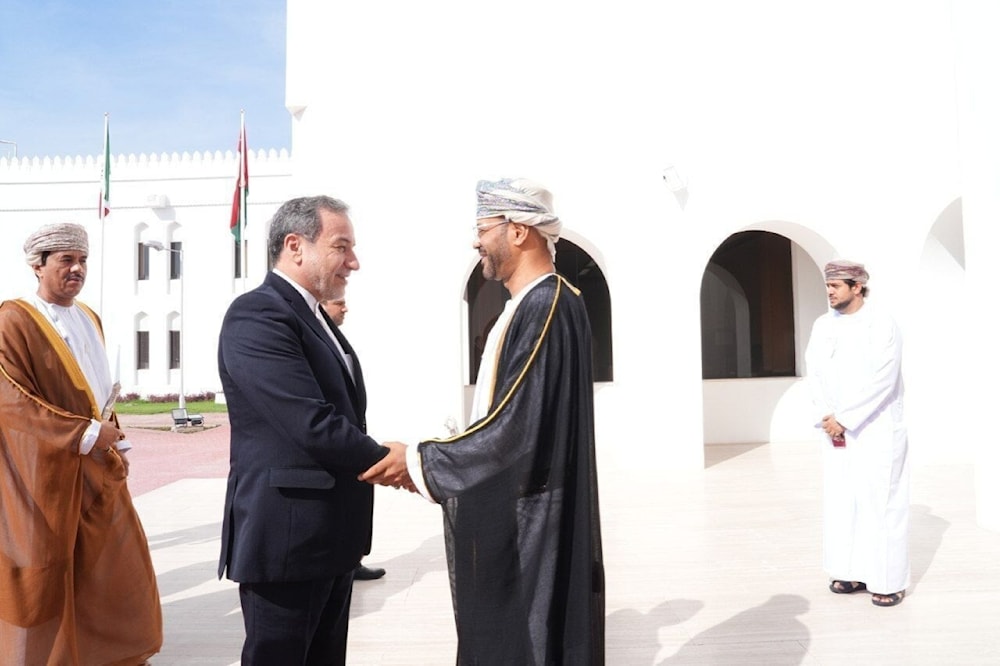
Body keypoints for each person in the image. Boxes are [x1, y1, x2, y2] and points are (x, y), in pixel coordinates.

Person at [362, 178, 606, 664]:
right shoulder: (533, 304)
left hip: (531, 522)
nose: (476, 241)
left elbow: (515, 426)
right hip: (522, 507)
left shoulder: (548, 304)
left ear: (518, 231)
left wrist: (418, 462)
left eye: (483, 228)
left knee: (524, 640)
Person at [218, 195, 406, 664]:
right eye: (341, 246)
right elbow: (310, 422)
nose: (354, 262)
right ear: (295, 246)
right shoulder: (257, 314)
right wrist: (400, 464)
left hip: (329, 538)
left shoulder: (314, 314)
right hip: (287, 539)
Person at [0, 223, 162, 664]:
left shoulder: (89, 317)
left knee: (116, 566)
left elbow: (95, 391)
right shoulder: (13, 319)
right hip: (45, 477)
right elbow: (10, 400)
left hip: (97, 465)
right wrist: (84, 435)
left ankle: (113, 654)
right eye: (65, 260)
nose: (77, 269)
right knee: (47, 576)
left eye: (83, 260)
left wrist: (114, 443)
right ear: (37, 265)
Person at [805, 260, 910, 607]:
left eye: (836, 286)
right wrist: (828, 416)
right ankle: (848, 572)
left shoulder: (881, 323)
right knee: (842, 500)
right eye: (827, 286)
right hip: (835, 429)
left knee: (880, 502)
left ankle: (886, 581)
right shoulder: (822, 325)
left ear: (858, 287)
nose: (830, 292)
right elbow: (815, 372)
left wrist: (847, 417)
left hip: (876, 427)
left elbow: (884, 377)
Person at [320, 296, 386, 583]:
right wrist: (386, 459)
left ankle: (354, 558)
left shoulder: (338, 342)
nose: (345, 307)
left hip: (351, 443)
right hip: (336, 446)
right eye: (338, 302)